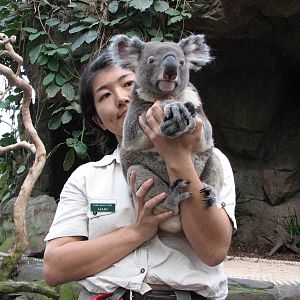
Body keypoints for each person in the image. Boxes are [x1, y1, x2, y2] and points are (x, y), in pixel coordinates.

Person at [43, 49, 237, 300]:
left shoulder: (212, 160)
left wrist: (177, 158)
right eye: (105, 95)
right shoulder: (87, 177)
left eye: (128, 84)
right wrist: (136, 232)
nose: (122, 98)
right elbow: (55, 268)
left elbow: (213, 251)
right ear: (98, 120)